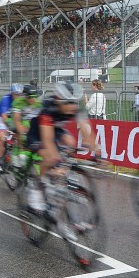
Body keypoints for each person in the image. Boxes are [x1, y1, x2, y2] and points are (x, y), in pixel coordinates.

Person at [24, 82, 97, 229]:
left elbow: (86, 130)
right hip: (38, 133)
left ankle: (58, 188)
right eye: (67, 103)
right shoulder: (48, 108)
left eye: (73, 103)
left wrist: (98, 153)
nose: (71, 107)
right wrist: (56, 163)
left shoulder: (74, 106)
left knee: (70, 142)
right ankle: (35, 187)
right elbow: (48, 141)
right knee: (51, 158)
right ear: (58, 99)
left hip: (56, 130)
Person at [0, 83, 24, 174]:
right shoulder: (6, 100)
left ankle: (15, 155)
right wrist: (10, 128)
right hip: (1, 118)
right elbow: (4, 117)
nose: (18, 96)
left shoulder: (22, 101)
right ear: (12, 93)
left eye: (19, 94)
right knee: (3, 138)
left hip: (13, 117)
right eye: (16, 94)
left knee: (21, 136)